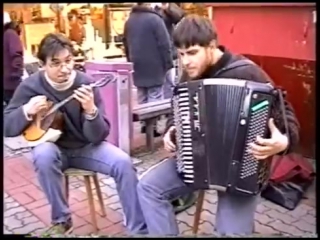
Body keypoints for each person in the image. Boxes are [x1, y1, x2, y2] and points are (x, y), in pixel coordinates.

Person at [136, 15, 300, 236]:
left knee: (230, 233)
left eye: (192, 52)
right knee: (148, 188)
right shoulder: (189, 75)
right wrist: (171, 131)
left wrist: (284, 141)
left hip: (243, 170)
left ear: (211, 46)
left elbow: (286, 114)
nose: (185, 61)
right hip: (195, 162)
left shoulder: (247, 73)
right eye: (181, 54)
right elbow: (178, 110)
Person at [4, 33, 147, 235]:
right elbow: (7, 126)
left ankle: (138, 228)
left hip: (87, 149)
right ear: (42, 64)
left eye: (68, 61)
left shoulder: (85, 83)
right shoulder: (30, 86)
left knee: (123, 162)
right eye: (55, 63)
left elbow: (98, 136)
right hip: (54, 152)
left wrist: (90, 111)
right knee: (43, 153)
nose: (64, 69)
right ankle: (61, 221)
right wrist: (26, 110)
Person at [123, 3, 173, 136]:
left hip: (137, 63)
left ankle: (144, 124)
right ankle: (153, 127)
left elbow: (125, 43)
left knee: (142, 94)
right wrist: (168, 63)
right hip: (155, 63)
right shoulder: (155, 19)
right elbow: (165, 44)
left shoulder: (130, 20)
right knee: (155, 94)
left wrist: (130, 61)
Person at [152, 3, 185, 99]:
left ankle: (171, 105)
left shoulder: (167, 8)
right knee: (159, 85)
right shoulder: (149, 9)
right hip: (154, 54)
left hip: (169, 52)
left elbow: (180, 17)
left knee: (170, 82)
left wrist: (167, 7)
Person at [3, 11, 24, 106]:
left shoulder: (9, 34)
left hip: (11, 81)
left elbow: (16, 54)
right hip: (8, 81)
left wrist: (16, 73)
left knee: (13, 107)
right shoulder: (8, 34)